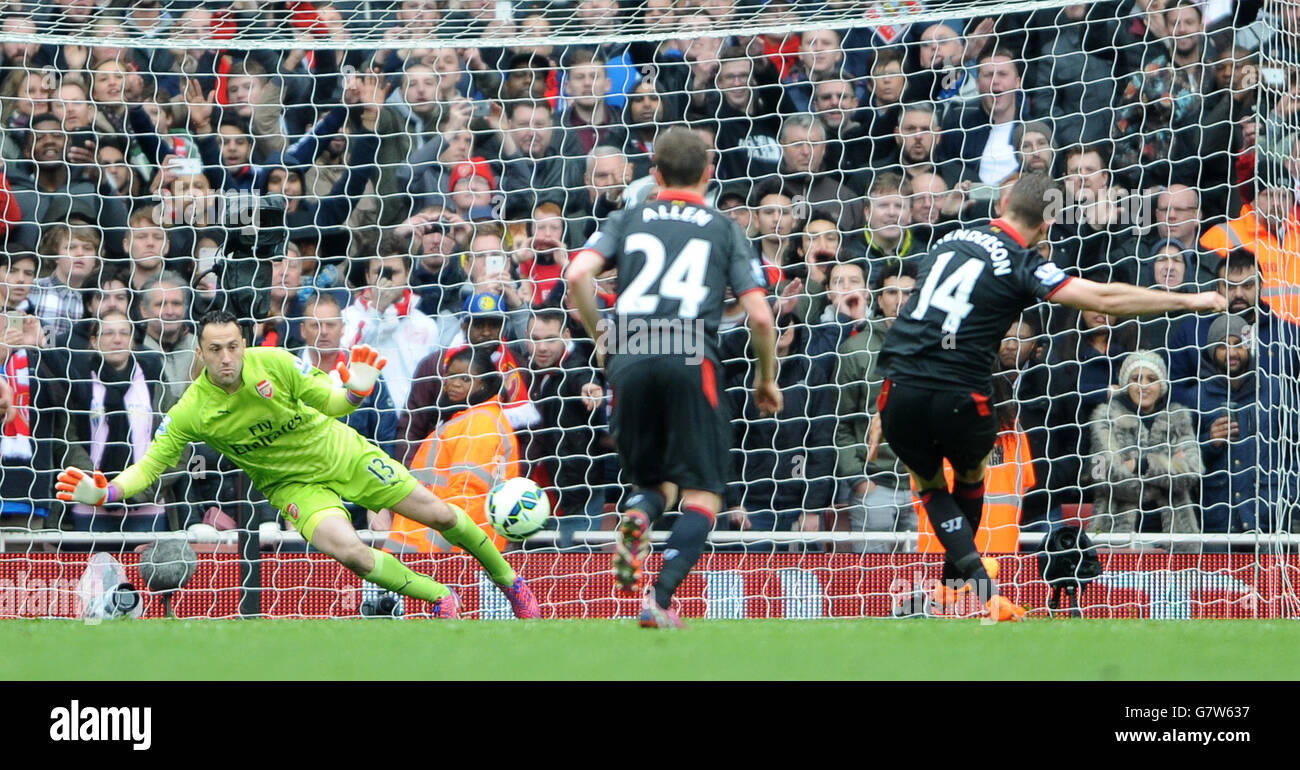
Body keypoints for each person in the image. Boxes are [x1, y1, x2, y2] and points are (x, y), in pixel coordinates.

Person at [868, 172, 1225, 621]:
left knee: (929, 486)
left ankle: (951, 589)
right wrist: (1187, 302)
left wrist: (887, 403)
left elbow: (916, 321)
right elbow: (1103, 297)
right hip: (962, 391)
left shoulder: (948, 241)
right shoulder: (1021, 262)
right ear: (1047, 225)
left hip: (900, 387)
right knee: (972, 475)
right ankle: (976, 589)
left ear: (1004, 207)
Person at [57, 310, 540, 620]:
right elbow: (150, 467)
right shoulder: (190, 409)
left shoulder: (277, 363)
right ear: (200, 354)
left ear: (243, 344)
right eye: (215, 350)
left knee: (438, 515)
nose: (227, 358)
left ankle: (511, 584)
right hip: (293, 487)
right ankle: (441, 599)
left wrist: (356, 390)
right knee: (349, 550)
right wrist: (107, 493)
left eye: (233, 346)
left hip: (341, 454)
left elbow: (332, 403)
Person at [565, 127, 781, 628]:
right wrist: (767, 379)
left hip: (631, 351)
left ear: (654, 173)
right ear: (708, 175)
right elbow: (762, 317)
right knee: (703, 491)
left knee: (654, 480)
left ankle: (639, 514)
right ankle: (660, 599)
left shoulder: (628, 216)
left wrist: (602, 333)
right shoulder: (724, 226)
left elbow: (577, 275)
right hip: (690, 352)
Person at [1086, 350, 1202, 547]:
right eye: (1135, 378)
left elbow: (1193, 469)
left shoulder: (1179, 418)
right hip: (1113, 535)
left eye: (1151, 378)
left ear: (1162, 384)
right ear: (1124, 383)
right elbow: (1102, 476)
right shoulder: (1105, 418)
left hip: (1177, 538)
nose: (1143, 385)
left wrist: (1143, 464)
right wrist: (1166, 476)